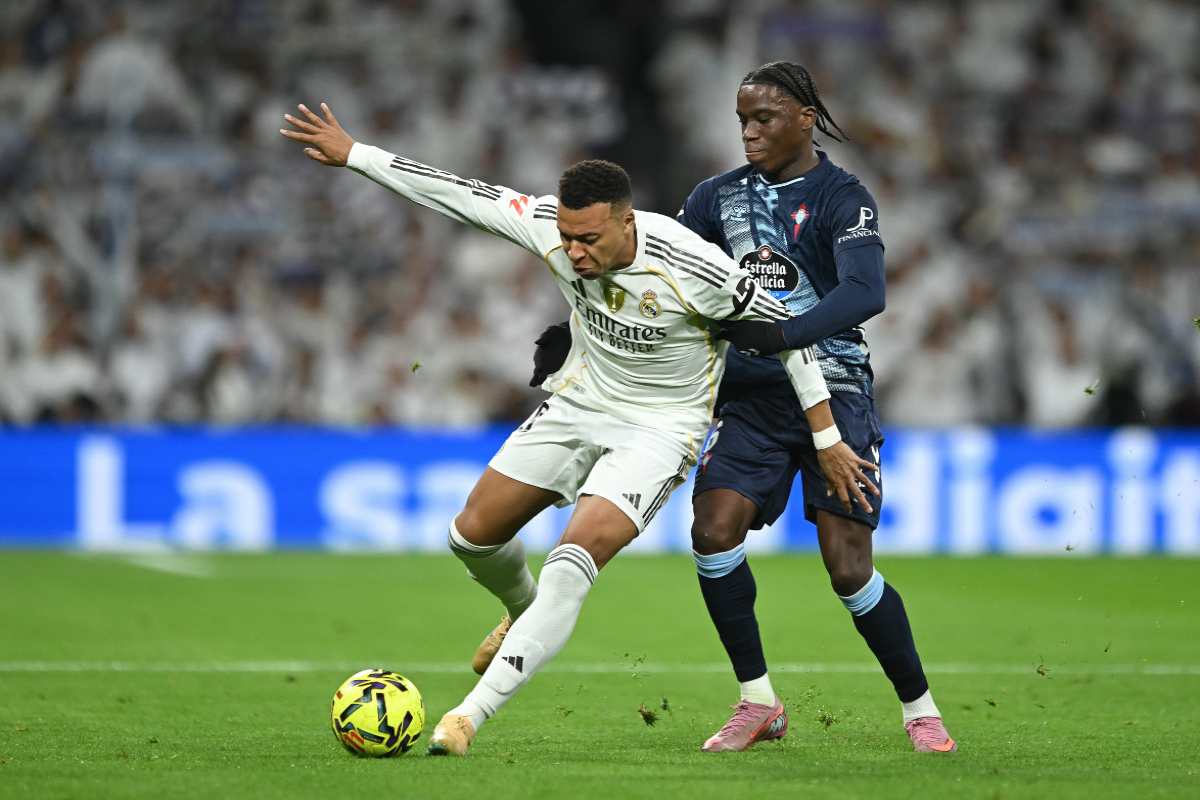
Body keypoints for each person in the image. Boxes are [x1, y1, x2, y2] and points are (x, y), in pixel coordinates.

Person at [279, 101, 878, 756]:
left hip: (660, 429)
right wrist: (356, 154)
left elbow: (791, 341)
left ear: (628, 223)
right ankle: (519, 613)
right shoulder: (548, 228)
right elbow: (455, 194)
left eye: (589, 239)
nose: (573, 251)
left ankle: (467, 719)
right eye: (566, 236)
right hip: (580, 402)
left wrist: (827, 439)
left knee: (573, 559)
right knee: (470, 537)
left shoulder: (697, 267)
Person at [527, 62, 957, 754]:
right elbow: (651, 274)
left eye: (765, 119)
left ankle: (920, 710)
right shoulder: (715, 198)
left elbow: (866, 291)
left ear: (805, 119)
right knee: (713, 530)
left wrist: (784, 332)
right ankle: (757, 700)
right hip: (749, 398)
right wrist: (571, 334)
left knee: (848, 567)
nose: (750, 133)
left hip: (836, 392)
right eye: (742, 121)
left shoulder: (844, 198)